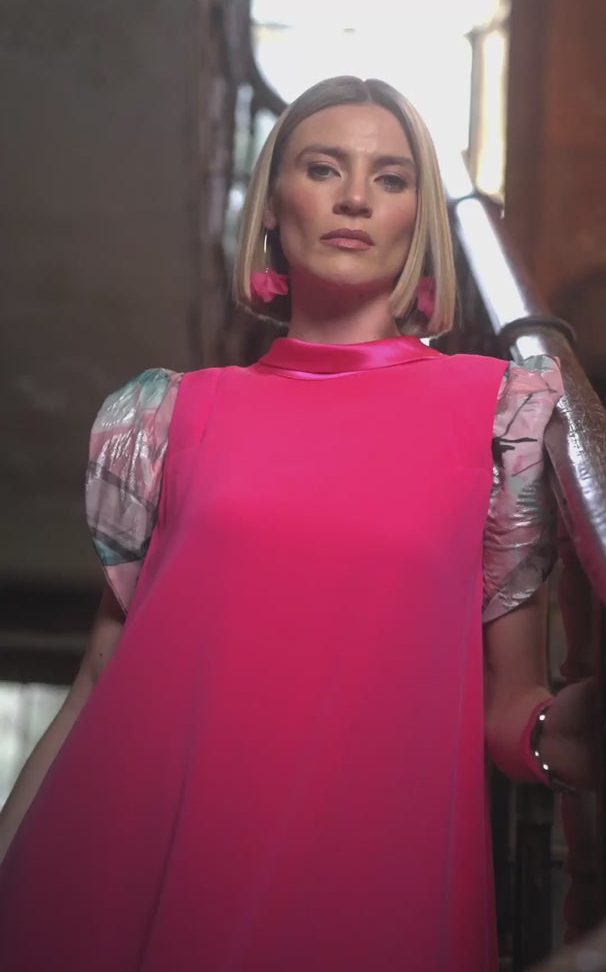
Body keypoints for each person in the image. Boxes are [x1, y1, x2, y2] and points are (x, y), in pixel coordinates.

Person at [0, 76, 597, 971]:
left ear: (417, 218)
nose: (356, 197)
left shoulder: (501, 413)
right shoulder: (167, 414)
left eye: (392, 179)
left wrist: (565, 735)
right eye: (325, 169)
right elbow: (99, 676)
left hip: (367, 888)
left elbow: (508, 710)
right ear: (274, 205)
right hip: (127, 871)